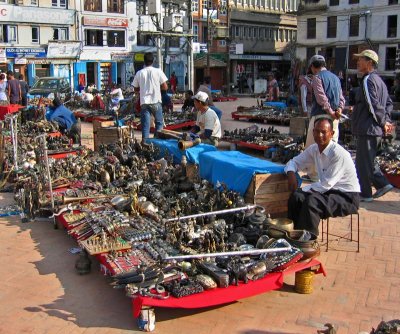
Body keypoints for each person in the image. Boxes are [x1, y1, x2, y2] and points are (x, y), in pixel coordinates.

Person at [285, 117, 360, 236]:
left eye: (324, 132)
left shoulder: (339, 154)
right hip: (328, 192)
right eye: (316, 131)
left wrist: (303, 189)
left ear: (332, 134)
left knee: (312, 202)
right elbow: (294, 162)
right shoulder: (313, 149)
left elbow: (326, 184)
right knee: (296, 197)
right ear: (313, 132)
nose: (319, 135)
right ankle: (294, 234)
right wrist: (290, 173)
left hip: (347, 197)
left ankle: (309, 240)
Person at [351, 49, 394, 202]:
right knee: (367, 160)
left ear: (369, 62)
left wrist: (384, 122)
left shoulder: (368, 80)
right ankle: (381, 185)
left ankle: (366, 193)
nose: (357, 62)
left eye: (360, 59)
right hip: (373, 128)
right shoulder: (380, 81)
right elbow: (388, 104)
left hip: (368, 128)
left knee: (363, 163)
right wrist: (386, 121)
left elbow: (372, 105)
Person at [303, 55, 345, 181]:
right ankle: (330, 174)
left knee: (313, 146)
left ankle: (315, 175)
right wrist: (339, 110)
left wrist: (331, 112)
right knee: (331, 146)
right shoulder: (336, 78)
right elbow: (342, 98)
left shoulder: (317, 78)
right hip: (334, 119)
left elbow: (321, 98)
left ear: (312, 67)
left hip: (321, 117)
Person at [132, 52, 168, 141]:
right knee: (159, 123)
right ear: (153, 61)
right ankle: (156, 142)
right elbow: (165, 87)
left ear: (144, 61)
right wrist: (156, 88)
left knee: (145, 125)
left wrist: (142, 89)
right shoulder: (158, 71)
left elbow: (135, 89)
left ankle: (145, 144)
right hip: (156, 101)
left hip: (144, 102)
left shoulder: (139, 73)